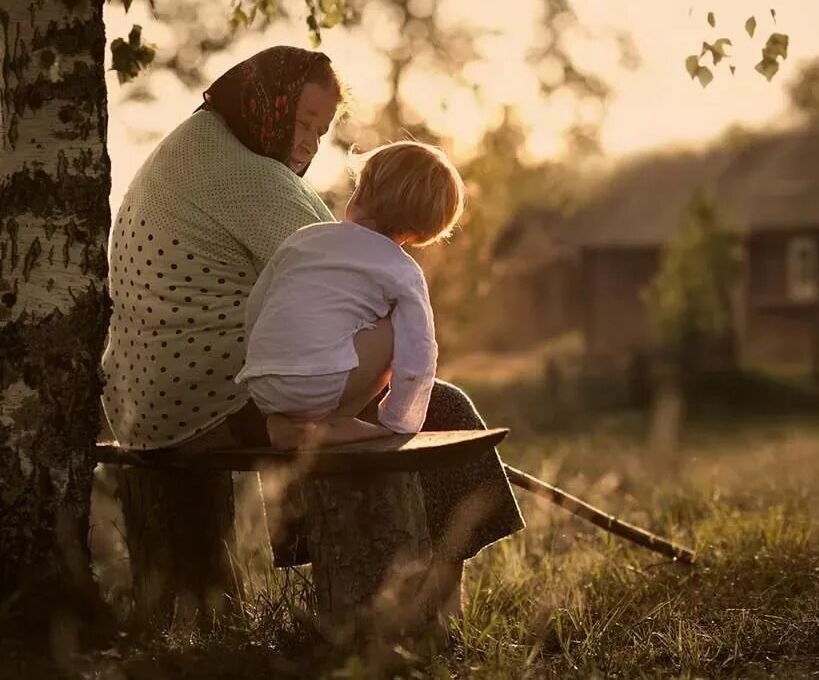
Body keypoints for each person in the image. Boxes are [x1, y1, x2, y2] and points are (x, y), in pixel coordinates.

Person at [101, 45, 523, 575]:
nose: (308, 143)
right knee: (440, 408)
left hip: (141, 403)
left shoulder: (192, 144)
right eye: (302, 121)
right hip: (208, 405)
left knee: (315, 372)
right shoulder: (253, 179)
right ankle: (416, 603)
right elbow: (347, 294)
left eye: (320, 132)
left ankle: (346, 564)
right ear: (267, 103)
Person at [236, 141, 465, 450]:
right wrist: (400, 421)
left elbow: (257, 306)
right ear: (423, 231)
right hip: (319, 384)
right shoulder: (402, 270)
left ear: (361, 192)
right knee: (398, 329)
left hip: (262, 383)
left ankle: (285, 424)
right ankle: (335, 422)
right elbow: (419, 352)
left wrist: (262, 361)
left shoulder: (304, 239)